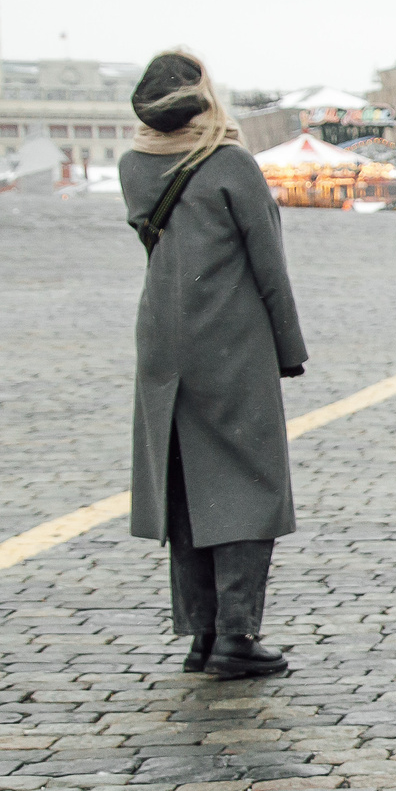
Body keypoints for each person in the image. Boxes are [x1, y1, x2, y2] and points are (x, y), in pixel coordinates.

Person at [118, 49, 307, 681]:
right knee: (251, 484)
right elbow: (269, 267)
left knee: (185, 489)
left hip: (161, 342)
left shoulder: (134, 167)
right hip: (230, 341)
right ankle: (236, 637)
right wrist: (289, 350)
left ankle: (199, 635)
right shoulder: (229, 165)